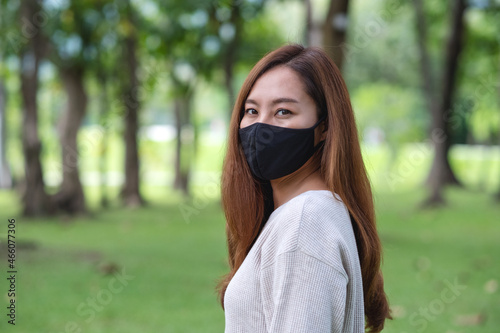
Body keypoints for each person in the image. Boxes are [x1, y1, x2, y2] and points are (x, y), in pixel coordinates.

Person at [216, 44, 391, 333]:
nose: (262, 127)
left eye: (283, 111)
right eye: (251, 110)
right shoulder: (310, 214)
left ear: (324, 128)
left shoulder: (304, 224)